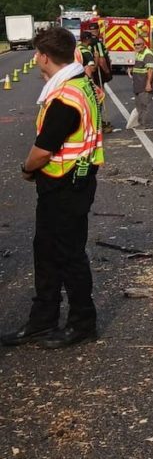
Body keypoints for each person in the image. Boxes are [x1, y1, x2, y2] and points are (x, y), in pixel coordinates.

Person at [1, 27, 104, 349]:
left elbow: (44, 149)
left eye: (37, 54)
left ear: (44, 57)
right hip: (72, 179)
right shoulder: (80, 83)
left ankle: (81, 323)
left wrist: (27, 168)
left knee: (68, 255)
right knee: (45, 251)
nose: (34, 59)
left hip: (66, 183)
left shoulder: (64, 98)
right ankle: (41, 321)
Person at [128, 37, 153, 129]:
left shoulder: (147, 54)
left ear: (144, 44)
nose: (136, 46)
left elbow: (150, 70)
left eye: (138, 44)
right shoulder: (139, 53)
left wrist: (148, 84)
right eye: (135, 44)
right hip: (138, 84)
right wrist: (131, 70)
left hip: (144, 84)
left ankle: (148, 125)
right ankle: (141, 123)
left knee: (145, 105)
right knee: (139, 105)